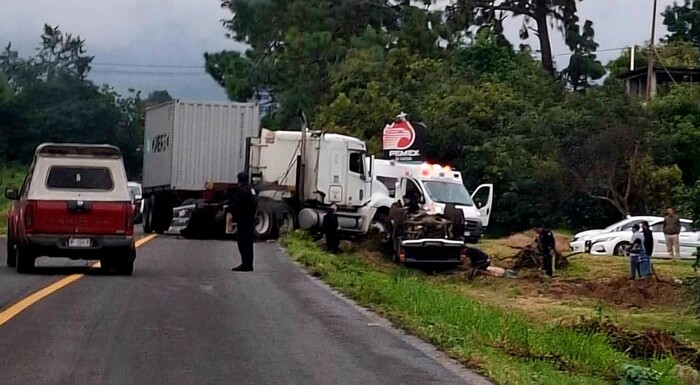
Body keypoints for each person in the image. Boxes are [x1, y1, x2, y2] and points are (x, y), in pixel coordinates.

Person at [228, 172, 257, 272]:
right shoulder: (251, 190)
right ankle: (249, 264)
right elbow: (254, 203)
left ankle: (245, 264)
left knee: (242, 242)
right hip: (250, 219)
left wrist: (233, 212)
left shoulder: (241, 191)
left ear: (239, 181)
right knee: (249, 243)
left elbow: (236, 205)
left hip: (243, 220)